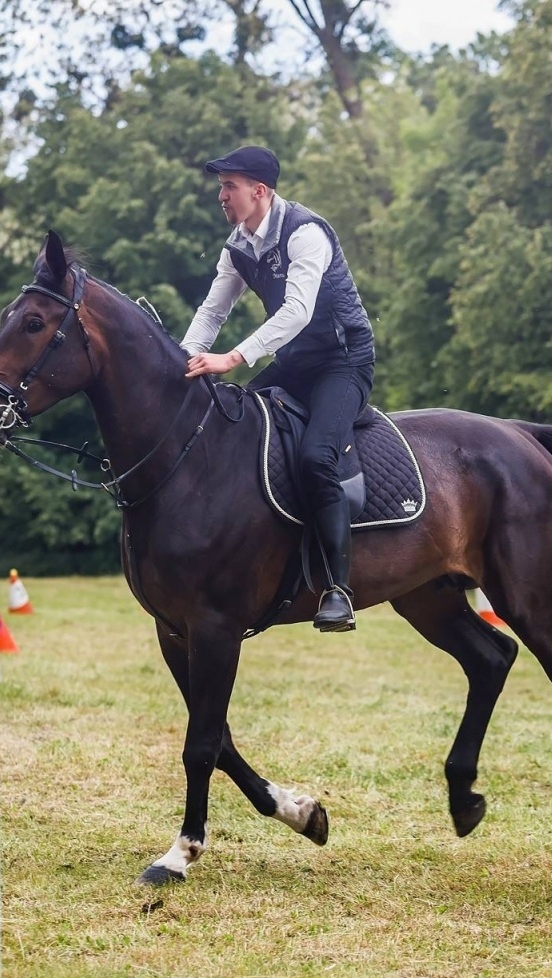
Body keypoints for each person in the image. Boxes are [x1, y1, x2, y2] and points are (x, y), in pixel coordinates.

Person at [180, 145, 376, 633]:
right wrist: (181, 359)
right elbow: (213, 311)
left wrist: (231, 358)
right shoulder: (237, 246)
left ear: (260, 191)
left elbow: (297, 312)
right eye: (221, 187)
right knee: (235, 429)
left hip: (343, 363)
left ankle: (337, 590)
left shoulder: (305, 233)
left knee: (316, 458)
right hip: (295, 365)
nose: (222, 196)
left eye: (229, 187)